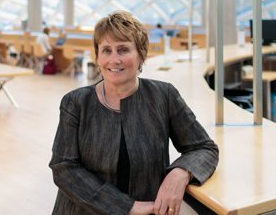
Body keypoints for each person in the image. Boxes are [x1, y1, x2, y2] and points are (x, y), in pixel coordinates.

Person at [49, 11, 219, 215]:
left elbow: (204, 147)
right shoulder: (75, 102)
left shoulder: (163, 96)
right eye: (106, 50)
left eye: (123, 50)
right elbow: (63, 168)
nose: (114, 59)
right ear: (97, 57)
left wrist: (181, 172)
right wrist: (128, 207)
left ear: (141, 55)